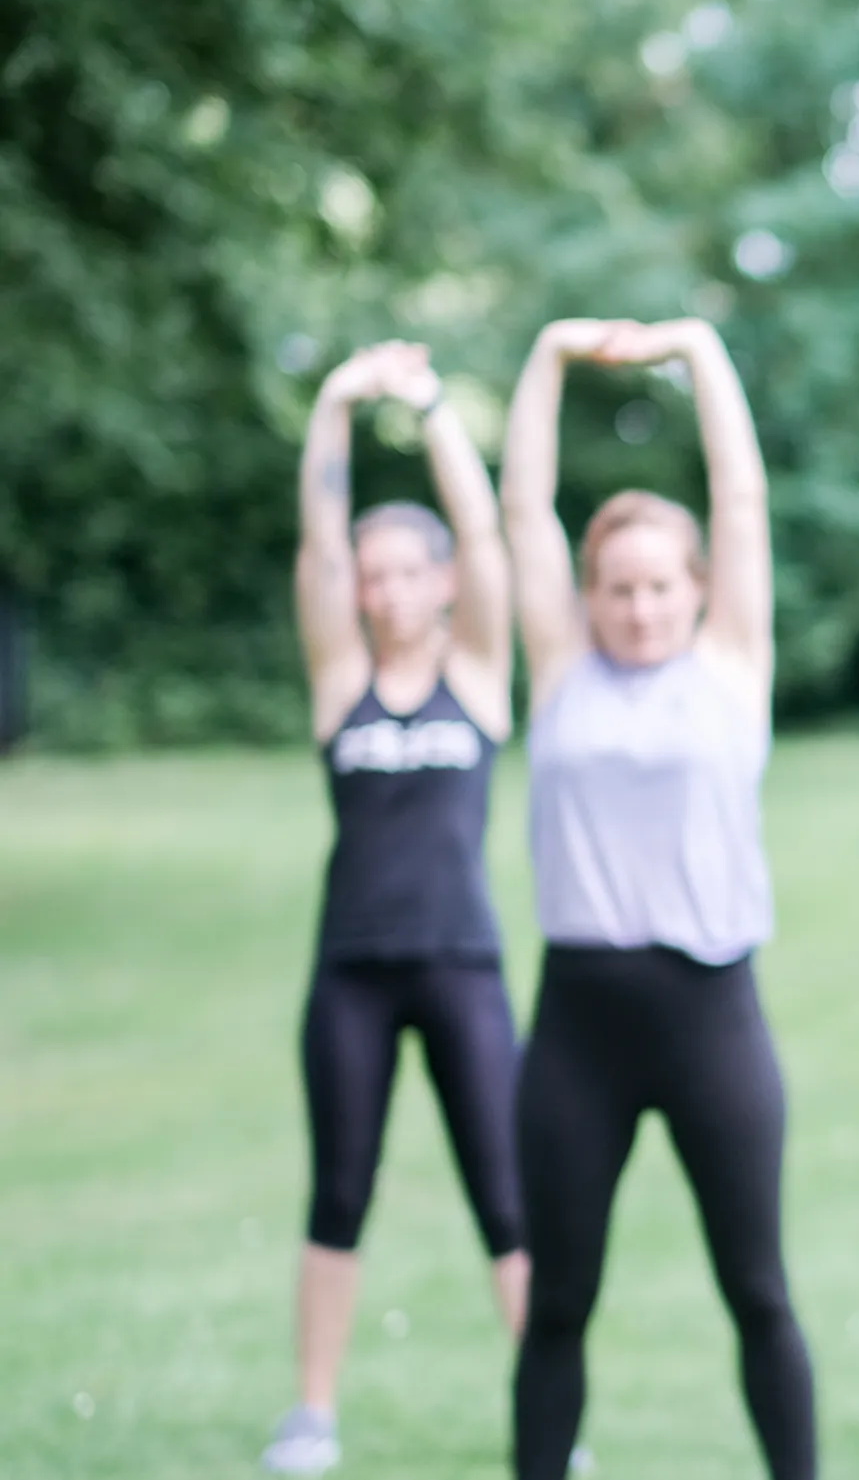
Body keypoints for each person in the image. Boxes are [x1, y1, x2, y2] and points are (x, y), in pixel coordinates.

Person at [499, 316, 814, 1480]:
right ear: (588, 595)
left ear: (695, 590)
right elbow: (521, 508)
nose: (637, 608)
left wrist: (698, 350)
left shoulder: (730, 666)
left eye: (657, 586)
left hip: (710, 1018)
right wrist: (546, 358)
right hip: (578, 1024)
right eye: (617, 588)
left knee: (759, 1289)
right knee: (560, 1301)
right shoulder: (562, 667)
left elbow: (740, 494)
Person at [265, 341, 526, 1475]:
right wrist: (331, 403)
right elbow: (317, 543)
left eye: (403, 572)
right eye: (370, 576)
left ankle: (545, 1416)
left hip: (462, 964)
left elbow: (485, 535)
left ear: (441, 584)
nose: (382, 589)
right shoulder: (340, 678)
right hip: (352, 973)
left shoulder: (476, 672)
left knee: (507, 1196)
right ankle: (312, 1415)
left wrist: (426, 408)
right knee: (338, 1188)